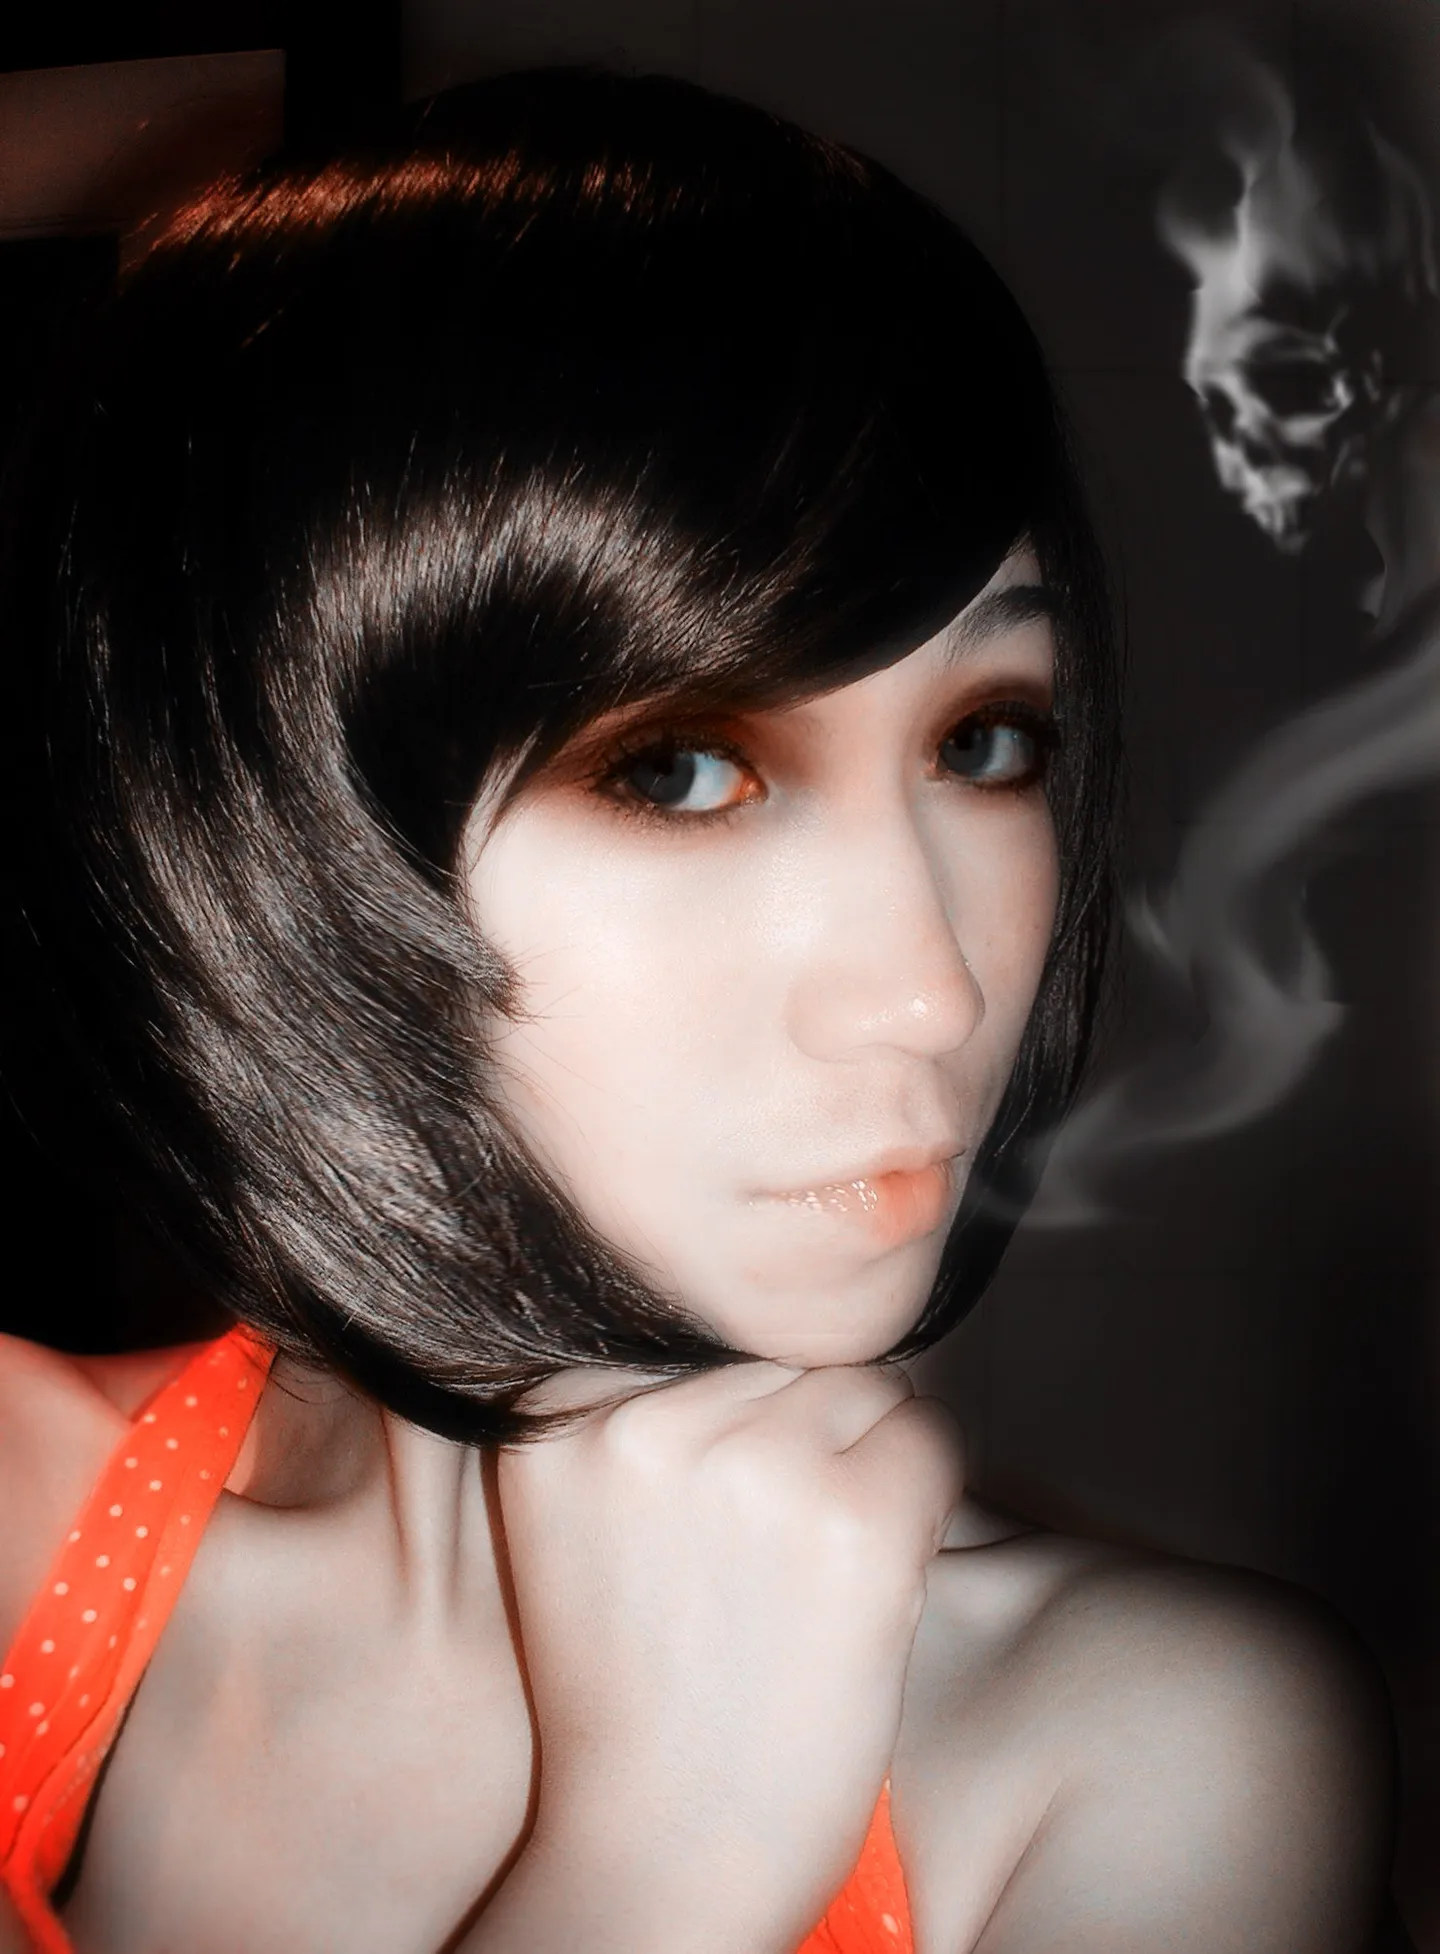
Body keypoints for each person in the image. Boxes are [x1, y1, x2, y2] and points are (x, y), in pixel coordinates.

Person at [0, 65, 1392, 1954]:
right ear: (253, 814)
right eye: (682, 770)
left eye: (986, 740)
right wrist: (657, 1865)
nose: (934, 985)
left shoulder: (1144, 1761)